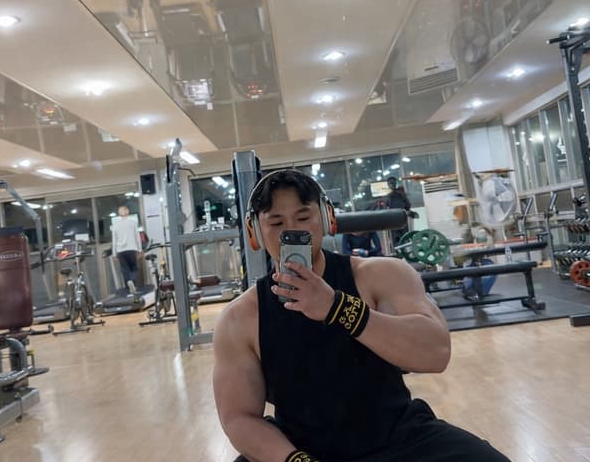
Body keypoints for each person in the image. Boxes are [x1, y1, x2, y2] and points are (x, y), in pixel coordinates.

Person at [213, 169, 509, 462]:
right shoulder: (240, 318)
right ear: (254, 232)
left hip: (396, 439)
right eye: (276, 222)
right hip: (299, 449)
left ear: (327, 218)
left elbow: (436, 353)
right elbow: (239, 417)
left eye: (303, 218)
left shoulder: (381, 275)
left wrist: (338, 308)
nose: (293, 231)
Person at [111, 205, 141, 295]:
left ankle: (129, 288)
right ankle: (133, 283)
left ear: (119, 213)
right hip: (131, 249)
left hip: (121, 251)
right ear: (127, 212)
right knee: (134, 268)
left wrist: (114, 253)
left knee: (125, 270)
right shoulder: (133, 223)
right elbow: (137, 236)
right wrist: (140, 249)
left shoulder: (115, 225)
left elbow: (114, 240)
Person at [384, 176, 417, 247]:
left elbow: (386, 208)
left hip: (394, 222)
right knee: (405, 239)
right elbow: (408, 205)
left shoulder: (388, 197)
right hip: (402, 220)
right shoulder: (402, 195)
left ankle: (399, 252)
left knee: (397, 241)